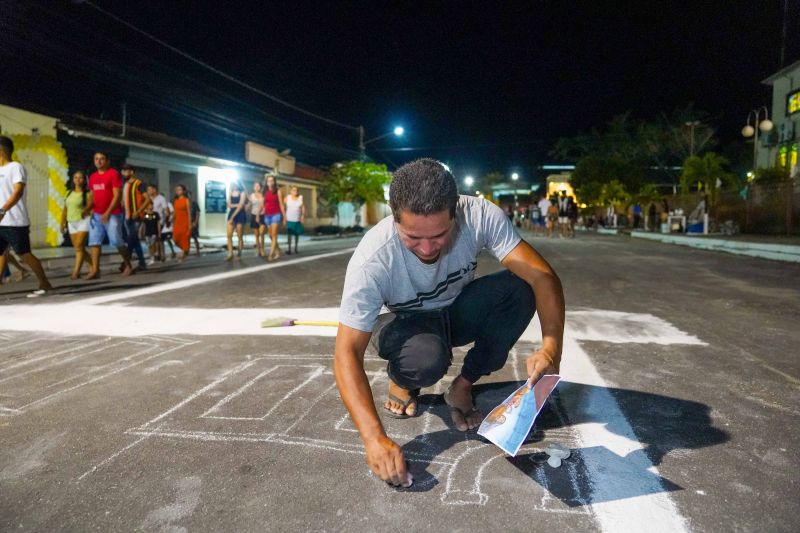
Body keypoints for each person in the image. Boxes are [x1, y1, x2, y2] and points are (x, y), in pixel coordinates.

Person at [333, 159, 565, 488]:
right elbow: (345, 354)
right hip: (403, 323)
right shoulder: (372, 259)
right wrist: (373, 439)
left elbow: (544, 277)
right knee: (427, 358)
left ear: (456, 209)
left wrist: (551, 348)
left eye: (439, 235)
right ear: (393, 213)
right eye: (413, 237)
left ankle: (462, 388)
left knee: (521, 287)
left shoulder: (480, 214)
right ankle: (403, 379)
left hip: (453, 312)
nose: (427, 249)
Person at [0, 136, 53, 296]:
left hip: (15, 220)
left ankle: (45, 282)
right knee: (1, 253)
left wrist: (2, 211)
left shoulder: (16, 167)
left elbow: (18, 192)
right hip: (1, 221)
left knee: (24, 254)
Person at [86, 151, 132, 279]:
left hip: (113, 214)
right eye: (96, 159)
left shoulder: (113, 174)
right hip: (96, 214)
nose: (99, 161)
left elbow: (117, 195)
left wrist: (108, 212)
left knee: (117, 240)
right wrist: (87, 209)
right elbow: (92, 195)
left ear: (107, 161)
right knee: (94, 242)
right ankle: (95, 270)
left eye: (102, 159)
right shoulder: (93, 177)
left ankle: (127, 264)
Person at [60, 170, 93, 279]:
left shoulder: (88, 194)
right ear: (73, 179)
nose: (78, 180)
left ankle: (76, 272)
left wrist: (87, 210)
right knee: (79, 248)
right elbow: (65, 209)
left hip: (83, 221)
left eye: (80, 178)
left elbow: (90, 207)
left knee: (79, 246)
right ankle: (94, 266)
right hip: (71, 222)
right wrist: (62, 223)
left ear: (84, 180)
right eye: (75, 177)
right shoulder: (68, 193)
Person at [121, 164, 151, 271]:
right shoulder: (124, 185)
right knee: (134, 240)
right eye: (123, 171)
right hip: (127, 216)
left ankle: (125, 263)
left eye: (126, 171)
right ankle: (142, 263)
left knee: (131, 239)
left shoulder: (139, 184)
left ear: (132, 172)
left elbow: (148, 200)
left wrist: (138, 211)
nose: (123, 173)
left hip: (136, 217)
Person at [263, 174, 286, 261]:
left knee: (274, 235)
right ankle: (277, 250)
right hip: (267, 215)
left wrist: (284, 217)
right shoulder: (265, 192)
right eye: (269, 181)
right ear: (266, 182)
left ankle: (270, 254)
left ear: (274, 182)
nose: (270, 182)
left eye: (272, 180)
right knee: (270, 235)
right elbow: (264, 204)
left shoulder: (278, 191)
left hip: (276, 214)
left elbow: (281, 204)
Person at [146, 184, 169, 264]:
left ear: (154, 190)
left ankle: (162, 255)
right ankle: (156, 255)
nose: (148, 191)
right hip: (149, 221)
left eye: (149, 189)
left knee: (159, 239)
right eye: (147, 190)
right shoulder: (147, 199)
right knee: (152, 240)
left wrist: (166, 221)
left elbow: (166, 210)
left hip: (159, 221)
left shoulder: (161, 198)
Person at [226, 181, 246, 261]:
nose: (235, 185)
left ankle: (239, 253)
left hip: (240, 214)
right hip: (231, 213)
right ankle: (230, 253)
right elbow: (228, 205)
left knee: (239, 235)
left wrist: (232, 217)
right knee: (229, 235)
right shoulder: (230, 192)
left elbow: (240, 207)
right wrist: (237, 204)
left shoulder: (242, 193)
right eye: (233, 183)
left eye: (236, 183)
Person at [172, 184, 192, 261]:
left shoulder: (186, 200)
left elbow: (189, 213)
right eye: (177, 190)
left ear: (183, 191)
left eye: (180, 189)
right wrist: (171, 218)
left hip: (185, 222)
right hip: (177, 222)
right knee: (175, 239)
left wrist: (190, 224)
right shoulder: (176, 201)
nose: (178, 191)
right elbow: (175, 212)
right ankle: (185, 250)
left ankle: (183, 253)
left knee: (184, 239)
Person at [284, 185, 305, 255]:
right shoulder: (288, 197)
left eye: (296, 190)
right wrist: (284, 217)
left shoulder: (300, 198)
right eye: (293, 190)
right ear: (291, 191)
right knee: (289, 235)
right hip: (289, 219)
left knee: (296, 235)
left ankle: (296, 248)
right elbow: (283, 206)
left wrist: (302, 216)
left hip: (297, 219)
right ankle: (289, 249)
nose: (295, 191)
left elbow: (303, 207)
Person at [248, 182, 266, 257]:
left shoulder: (263, 195)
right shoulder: (251, 195)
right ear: (253, 187)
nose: (257, 187)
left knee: (262, 233)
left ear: (260, 187)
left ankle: (262, 249)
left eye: (258, 186)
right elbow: (249, 204)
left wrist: (258, 215)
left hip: (262, 215)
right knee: (256, 234)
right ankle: (258, 250)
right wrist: (245, 207)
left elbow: (262, 206)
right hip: (254, 215)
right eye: (255, 186)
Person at [188, 191, 201, 255]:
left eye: (189, 195)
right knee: (187, 237)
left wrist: (195, 222)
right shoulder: (185, 204)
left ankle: (197, 251)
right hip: (187, 223)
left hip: (193, 223)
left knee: (195, 237)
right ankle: (186, 251)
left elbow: (198, 213)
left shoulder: (194, 204)